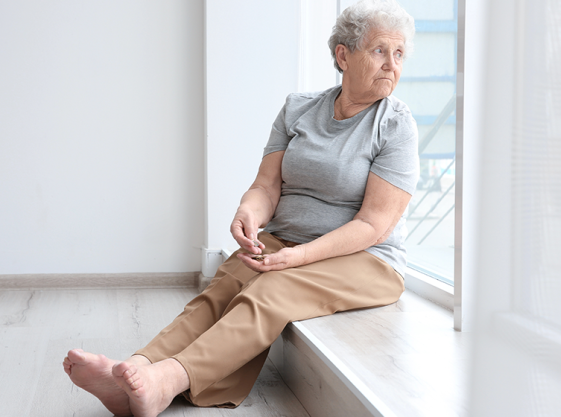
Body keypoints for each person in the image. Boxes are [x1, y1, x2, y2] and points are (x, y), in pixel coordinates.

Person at [62, 1, 418, 416]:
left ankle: (167, 381)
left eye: (399, 54)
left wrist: (299, 256)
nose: (391, 64)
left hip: (367, 259)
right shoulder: (299, 107)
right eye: (379, 50)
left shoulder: (395, 125)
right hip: (287, 239)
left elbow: (373, 225)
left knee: (274, 287)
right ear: (343, 54)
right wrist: (247, 212)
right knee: (227, 281)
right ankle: (136, 369)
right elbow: (266, 185)